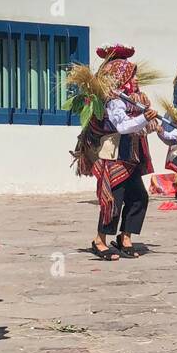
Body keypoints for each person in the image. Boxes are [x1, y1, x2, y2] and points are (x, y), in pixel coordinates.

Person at [69, 45, 159, 260]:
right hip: (114, 155)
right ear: (122, 77)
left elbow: (148, 125)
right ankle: (99, 241)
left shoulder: (135, 98)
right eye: (132, 75)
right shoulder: (112, 100)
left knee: (139, 198)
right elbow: (122, 127)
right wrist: (145, 118)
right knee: (113, 200)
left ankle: (125, 237)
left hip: (132, 155)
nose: (136, 79)